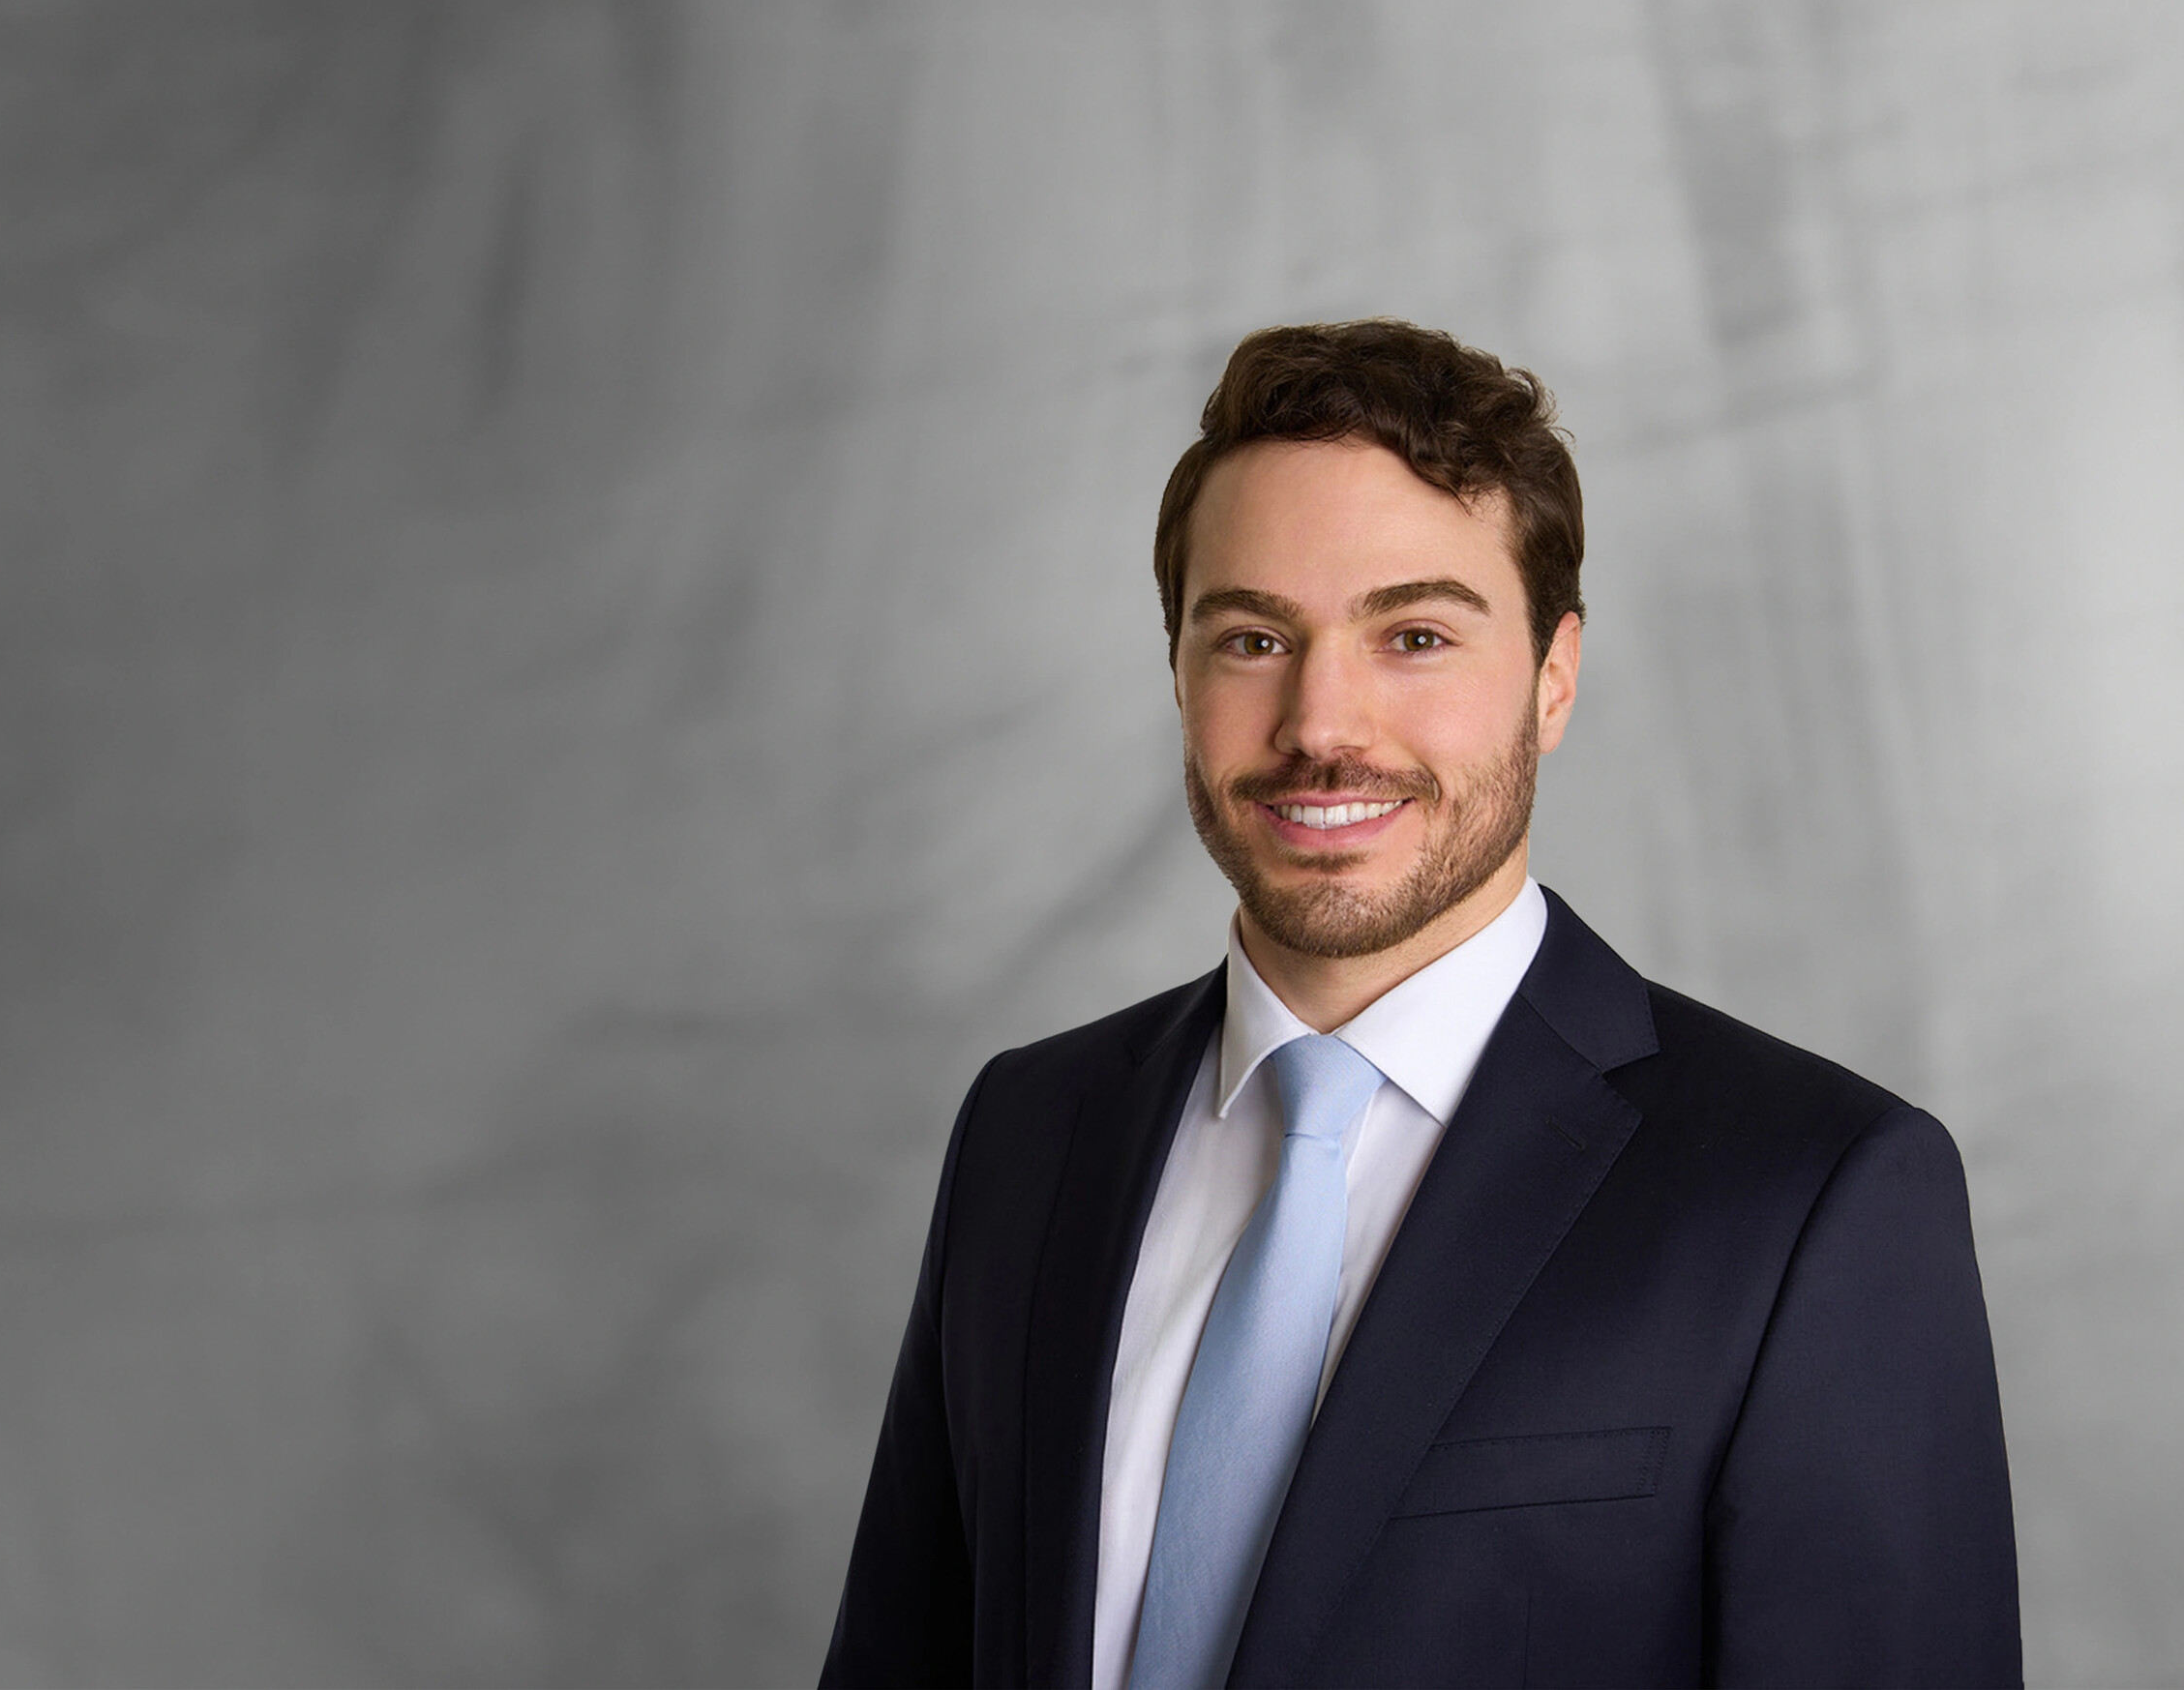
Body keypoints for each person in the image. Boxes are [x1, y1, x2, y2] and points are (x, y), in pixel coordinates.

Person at [820, 320, 2021, 1687]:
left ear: (1553, 678)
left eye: (1416, 636)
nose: (1322, 724)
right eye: (1253, 637)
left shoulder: (1813, 1195)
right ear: (1179, 673)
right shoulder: (1029, 1134)